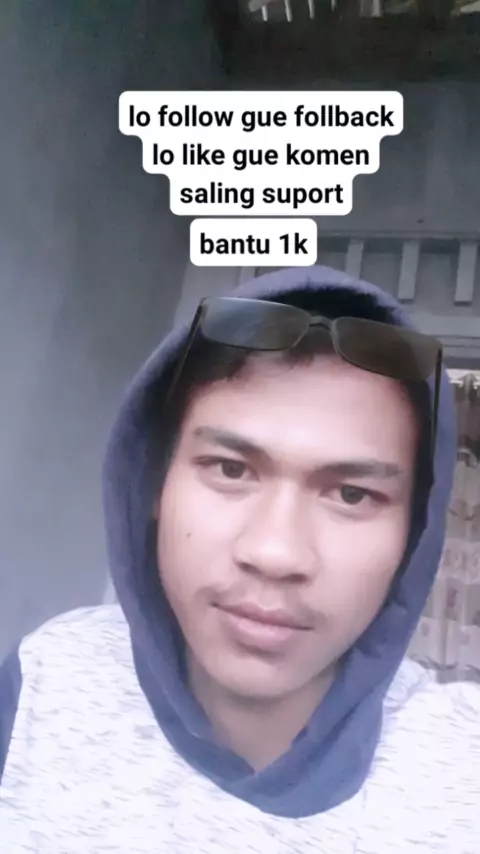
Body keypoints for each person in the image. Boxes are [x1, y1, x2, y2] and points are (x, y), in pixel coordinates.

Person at [0, 266, 479, 852]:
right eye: (230, 469)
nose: (274, 553)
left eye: (352, 494)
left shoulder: (461, 771)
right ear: (154, 484)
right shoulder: (48, 682)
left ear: (415, 532)